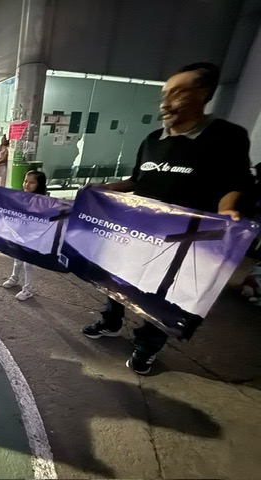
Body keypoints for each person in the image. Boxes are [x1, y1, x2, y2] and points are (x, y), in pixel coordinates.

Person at [80, 62, 255, 375]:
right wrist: (104, 188)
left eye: (177, 92)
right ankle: (111, 321)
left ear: (203, 94)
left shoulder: (227, 137)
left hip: (184, 239)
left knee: (164, 294)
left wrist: (227, 209)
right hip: (138, 231)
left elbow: (236, 183)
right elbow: (136, 180)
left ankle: (146, 347)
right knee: (116, 280)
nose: (166, 101)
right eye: (164, 94)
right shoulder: (152, 140)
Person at [2, 170, 47, 300]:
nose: (27, 184)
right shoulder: (21, 197)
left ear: (39, 184)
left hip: (34, 237)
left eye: (32, 182)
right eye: (26, 181)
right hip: (20, 234)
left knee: (28, 264)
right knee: (17, 259)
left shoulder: (44, 202)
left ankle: (27, 290)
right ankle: (14, 278)